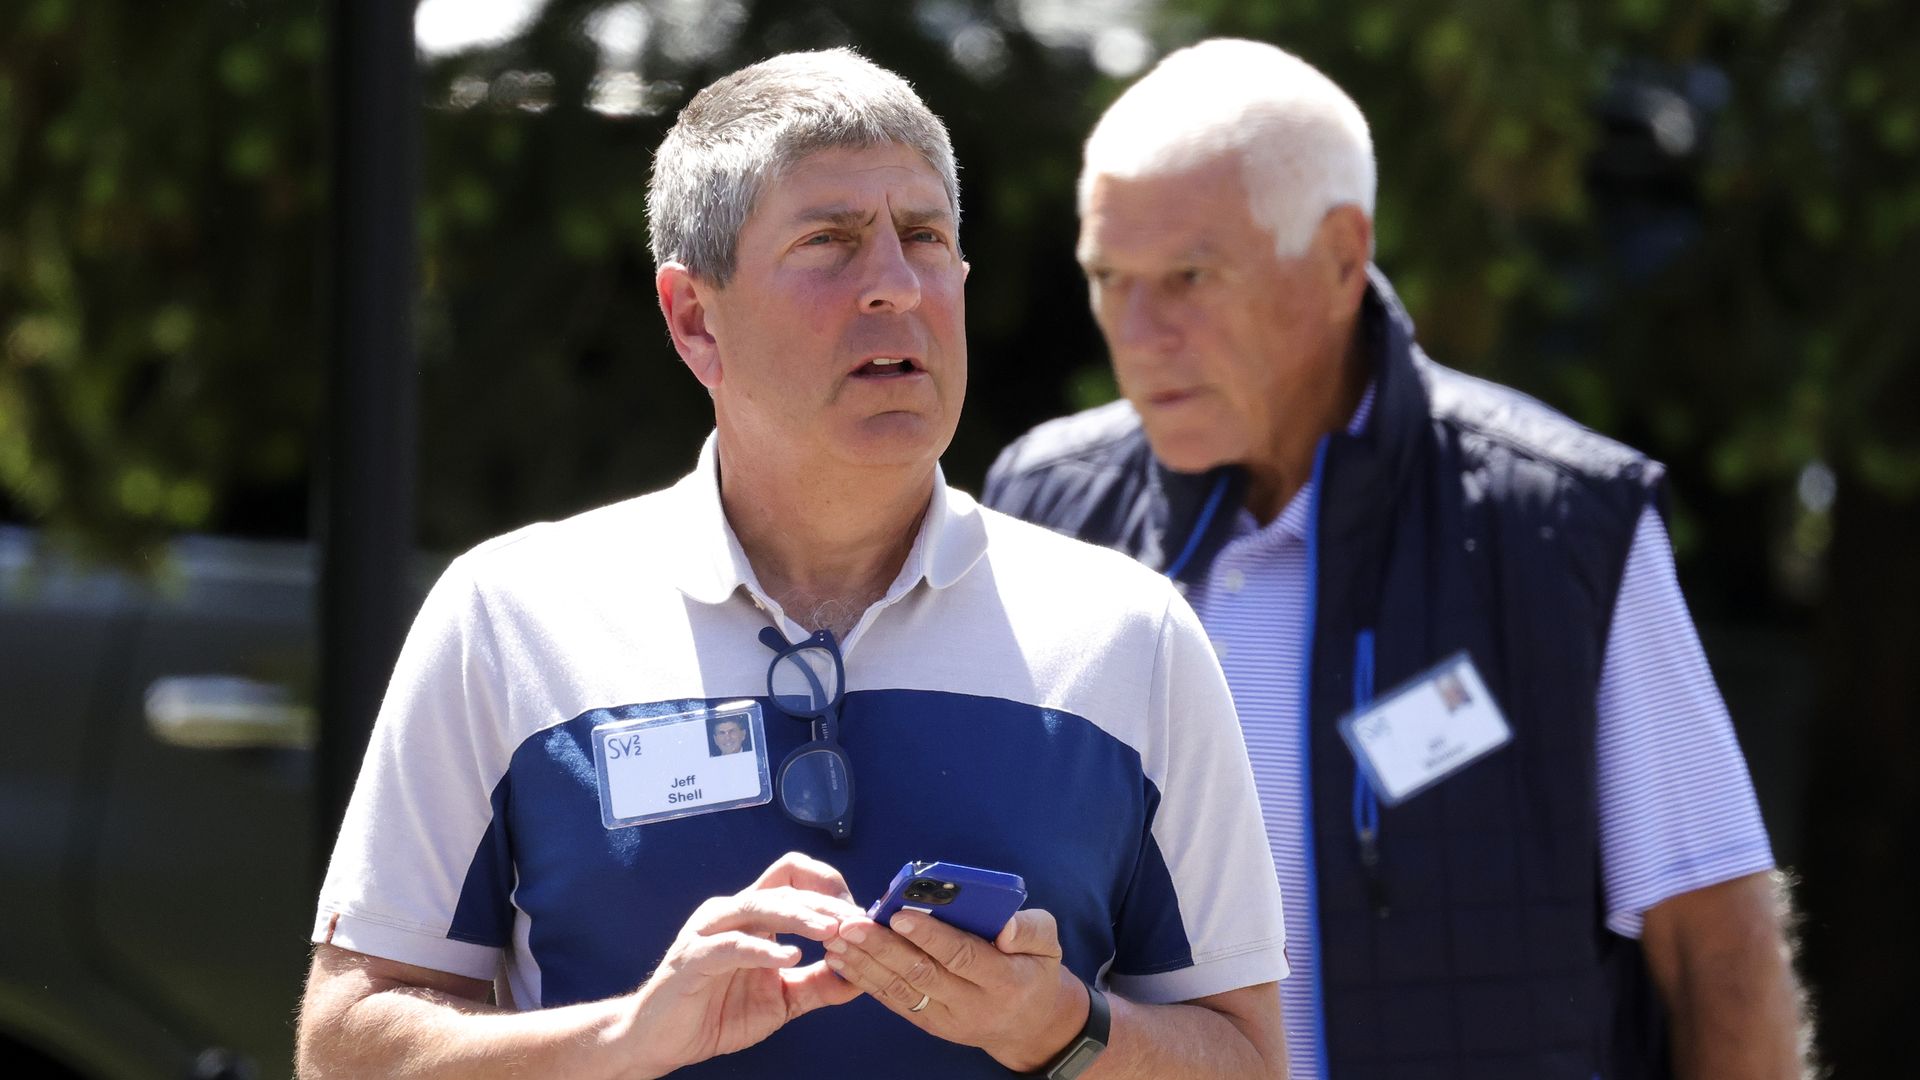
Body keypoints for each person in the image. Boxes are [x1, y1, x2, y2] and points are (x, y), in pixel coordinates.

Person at [295, 49, 1291, 1079]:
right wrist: (626, 1038)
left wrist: (1064, 1031)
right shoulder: (508, 618)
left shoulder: (1132, 634)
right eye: (831, 242)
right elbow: (342, 1048)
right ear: (695, 320)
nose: (896, 287)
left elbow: (1248, 1060)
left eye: (925, 238)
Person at [985, 38, 1804, 1080]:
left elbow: (1720, 952)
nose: (1138, 334)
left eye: (1190, 276)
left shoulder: (1560, 523)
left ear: (1338, 256)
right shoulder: (1040, 511)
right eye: (1110, 279)